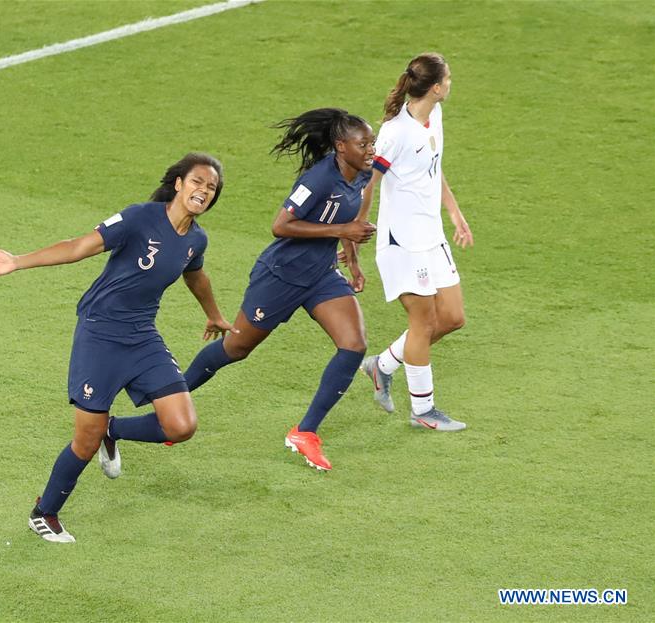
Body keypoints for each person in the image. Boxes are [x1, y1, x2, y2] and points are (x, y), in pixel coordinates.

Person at [0, 153, 235, 543]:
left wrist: (213, 314)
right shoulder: (139, 217)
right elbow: (78, 247)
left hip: (142, 335)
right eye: (197, 182)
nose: (203, 191)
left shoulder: (197, 239)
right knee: (85, 441)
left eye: (211, 188)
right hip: (100, 334)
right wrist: (18, 262)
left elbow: (196, 276)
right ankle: (44, 513)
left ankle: (115, 430)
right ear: (178, 183)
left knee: (181, 426)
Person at [182, 108, 377, 471]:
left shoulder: (361, 175)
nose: (370, 149)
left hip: (320, 275)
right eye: (363, 143)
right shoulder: (318, 178)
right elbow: (281, 225)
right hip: (281, 276)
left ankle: (306, 432)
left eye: (372, 142)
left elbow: (347, 222)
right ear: (340, 147)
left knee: (354, 344)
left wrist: (352, 261)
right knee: (235, 348)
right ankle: (171, 393)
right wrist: (341, 233)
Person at [356, 52, 474, 431]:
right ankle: (424, 411)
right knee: (423, 322)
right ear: (435, 87)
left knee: (452, 317)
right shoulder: (394, 133)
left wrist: (455, 213)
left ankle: (382, 365)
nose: (451, 83)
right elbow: (367, 184)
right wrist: (356, 229)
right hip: (402, 242)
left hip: (431, 235)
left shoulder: (433, 116)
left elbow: (433, 171)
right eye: (449, 78)